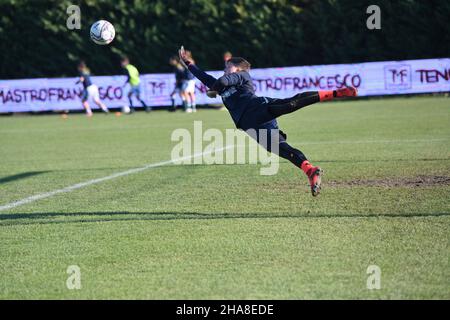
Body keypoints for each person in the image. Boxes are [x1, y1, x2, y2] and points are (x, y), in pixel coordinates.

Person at [178, 46, 357, 196]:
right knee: (281, 149)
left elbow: (224, 80)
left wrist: (215, 88)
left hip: (259, 108)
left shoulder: (243, 76)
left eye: (228, 67)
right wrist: (188, 63)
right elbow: (203, 76)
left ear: (238, 68)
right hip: (251, 125)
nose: (225, 70)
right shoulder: (223, 82)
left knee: (291, 104)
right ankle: (310, 170)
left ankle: (335, 93)